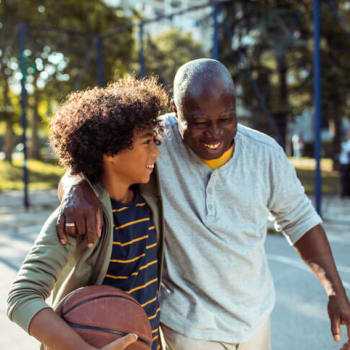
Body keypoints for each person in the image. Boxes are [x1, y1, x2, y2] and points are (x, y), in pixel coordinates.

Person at [57, 59, 350, 350]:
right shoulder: (155, 142)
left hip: (254, 318)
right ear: (176, 110)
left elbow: (300, 219)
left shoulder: (265, 154)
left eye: (226, 119)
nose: (215, 134)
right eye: (199, 123)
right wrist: (75, 186)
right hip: (188, 325)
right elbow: (94, 160)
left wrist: (335, 291)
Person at [7, 76, 168, 350]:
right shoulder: (77, 218)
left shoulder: (150, 195)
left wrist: (73, 181)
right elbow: (22, 297)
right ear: (110, 151)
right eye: (146, 142)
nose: (157, 152)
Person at [339, 131, 350, 199]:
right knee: (344, 179)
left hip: (346, 164)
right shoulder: (347, 142)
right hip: (344, 163)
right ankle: (345, 193)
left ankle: (346, 193)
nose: (347, 135)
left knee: (345, 179)